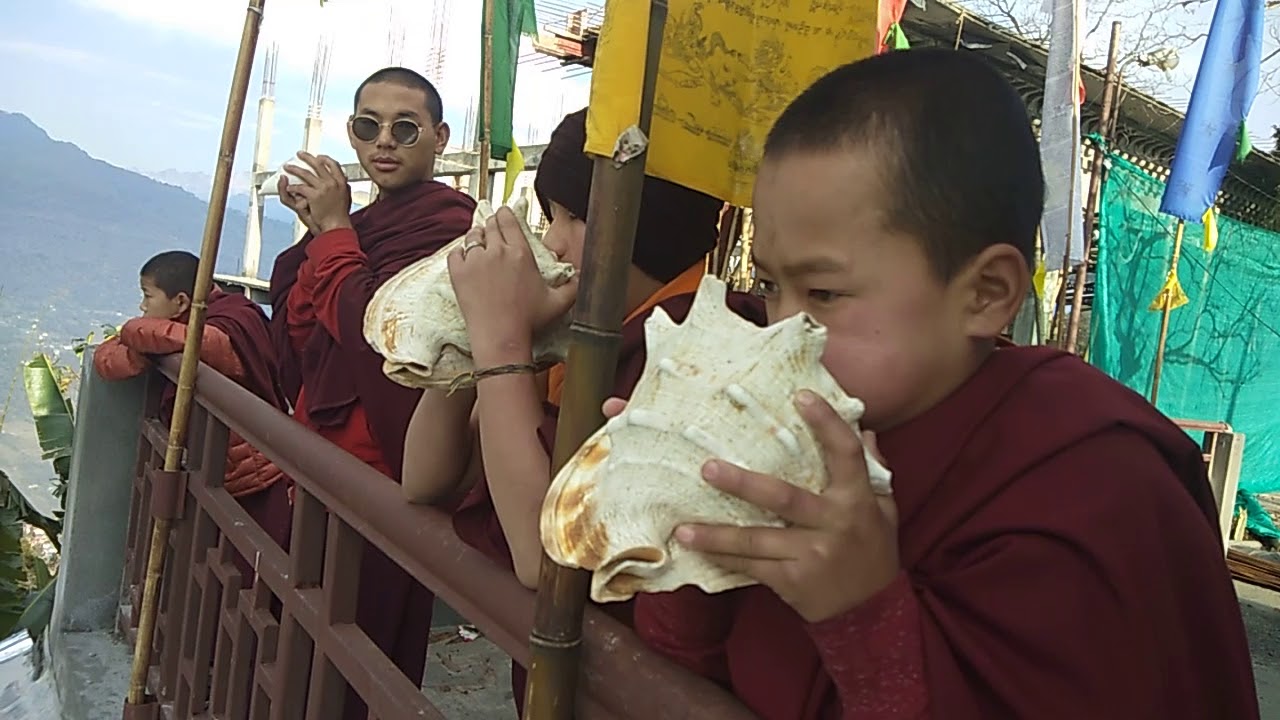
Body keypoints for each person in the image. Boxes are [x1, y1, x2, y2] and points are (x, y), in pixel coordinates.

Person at [616, 49, 1261, 719]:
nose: (781, 332)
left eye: (825, 292)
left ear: (987, 293)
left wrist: (860, 608)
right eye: (772, 287)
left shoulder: (1095, 484)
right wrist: (688, 538)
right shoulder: (802, 445)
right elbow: (687, 677)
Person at [399, 107, 767, 712]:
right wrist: (470, 332)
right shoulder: (582, 337)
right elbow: (426, 478)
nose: (552, 241)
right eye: (550, 215)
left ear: (647, 223)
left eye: (575, 216)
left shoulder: (695, 347)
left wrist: (501, 341)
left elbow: (544, 558)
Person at [267, 67, 476, 717]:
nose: (384, 142)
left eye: (404, 128)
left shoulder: (448, 227)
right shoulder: (366, 225)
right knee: (292, 643)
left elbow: (376, 329)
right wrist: (320, 233)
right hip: (313, 460)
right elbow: (305, 343)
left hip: (381, 469)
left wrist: (332, 231)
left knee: (361, 654)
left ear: (438, 138)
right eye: (368, 126)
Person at [95, 250, 292, 582]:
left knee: (246, 575)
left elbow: (198, 343)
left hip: (252, 471)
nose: (143, 306)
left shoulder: (232, 322)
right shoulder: (186, 323)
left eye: (147, 296)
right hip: (216, 470)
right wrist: (145, 349)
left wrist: (140, 338)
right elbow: (106, 358)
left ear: (182, 301)